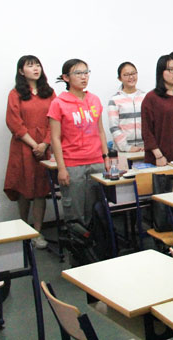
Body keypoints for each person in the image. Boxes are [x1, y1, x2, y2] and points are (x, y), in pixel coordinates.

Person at [48, 59, 110, 225]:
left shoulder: (94, 100)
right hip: (73, 165)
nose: (84, 77)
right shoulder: (58, 103)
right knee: (75, 211)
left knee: (96, 209)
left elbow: (100, 131)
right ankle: (76, 241)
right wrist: (61, 168)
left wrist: (106, 157)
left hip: (96, 162)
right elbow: (55, 138)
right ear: (66, 77)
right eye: (78, 73)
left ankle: (95, 239)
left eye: (86, 72)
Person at [4, 55, 56, 249]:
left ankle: (37, 232)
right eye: (30, 66)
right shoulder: (15, 94)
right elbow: (14, 123)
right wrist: (34, 145)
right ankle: (23, 231)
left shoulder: (49, 92)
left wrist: (45, 144)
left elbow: (55, 120)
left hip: (44, 148)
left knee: (41, 191)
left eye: (37, 65)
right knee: (24, 190)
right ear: (21, 71)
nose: (36, 69)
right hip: (23, 147)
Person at [141, 55, 173, 167]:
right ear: (161, 72)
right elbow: (147, 131)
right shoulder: (151, 98)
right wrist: (158, 156)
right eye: (171, 70)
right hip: (159, 157)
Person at [107, 62, 146, 152]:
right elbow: (114, 127)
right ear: (119, 78)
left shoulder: (146, 97)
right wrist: (126, 147)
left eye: (133, 73)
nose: (131, 77)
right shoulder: (114, 100)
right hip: (123, 150)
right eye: (126, 75)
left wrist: (150, 145)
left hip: (144, 148)